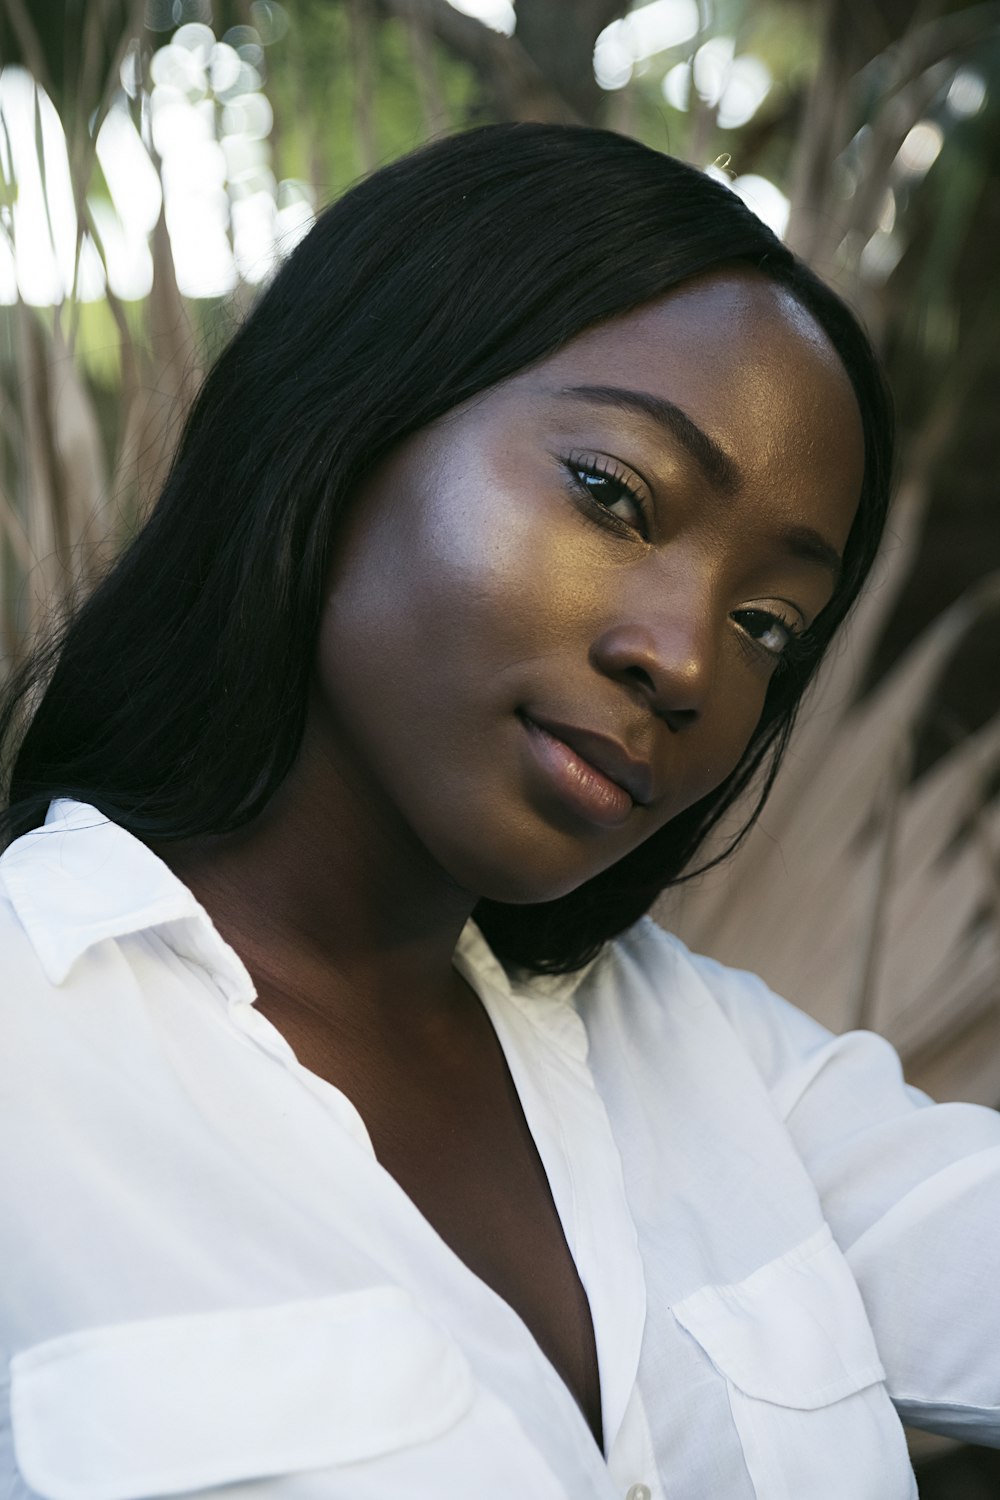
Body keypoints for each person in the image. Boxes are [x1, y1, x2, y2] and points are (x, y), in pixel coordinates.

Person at [0, 123, 996, 1500]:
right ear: (343, 419)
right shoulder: (31, 1047)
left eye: (769, 621)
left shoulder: (718, 1064)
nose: (691, 661)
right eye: (613, 494)